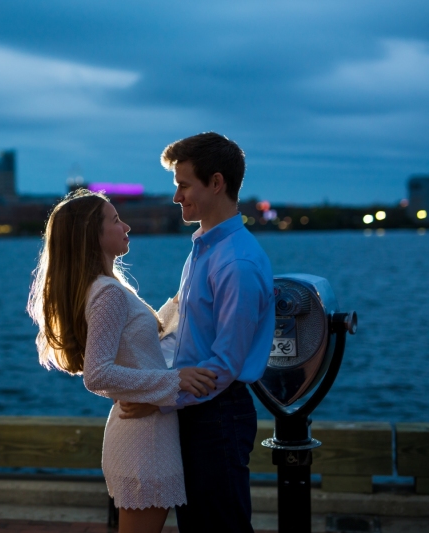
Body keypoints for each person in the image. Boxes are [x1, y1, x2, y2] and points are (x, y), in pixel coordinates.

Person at [27, 189, 217, 533]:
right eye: (115, 220)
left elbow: (138, 346)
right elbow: (97, 375)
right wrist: (176, 381)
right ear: (92, 235)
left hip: (144, 434)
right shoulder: (108, 293)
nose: (126, 226)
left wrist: (182, 299)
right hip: (143, 442)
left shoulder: (105, 288)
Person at [120, 132, 275, 532]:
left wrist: (159, 398)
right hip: (198, 409)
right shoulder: (205, 250)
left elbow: (223, 365)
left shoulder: (236, 262)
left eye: (184, 185)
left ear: (217, 183)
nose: (176, 197)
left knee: (218, 526)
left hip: (217, 414)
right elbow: (181, 337)